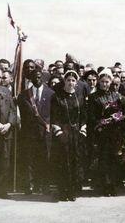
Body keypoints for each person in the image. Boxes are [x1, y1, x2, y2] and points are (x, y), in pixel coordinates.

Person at [50, 70, 87, 201]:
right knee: (63, 162)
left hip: (76, 133)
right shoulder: (57, 97)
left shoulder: (79, 97)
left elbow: (83, 116)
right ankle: (63, 191)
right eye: (68, 80)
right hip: (63, 133)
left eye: (73, 80)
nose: (70, 82)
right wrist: (59, 132)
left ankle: (72, 191)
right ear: (64, 81)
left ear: (76, 82)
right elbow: (54, 117)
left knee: (75, 162)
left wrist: (82, 129)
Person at [17, 69, 55, 194]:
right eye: (35, 77)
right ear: (31, 79)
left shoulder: (51, 94)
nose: (37, 80)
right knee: (29, 159)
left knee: (44, 159)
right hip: (29, 132)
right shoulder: (23, 95)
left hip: (45, 131)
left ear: (43, 78)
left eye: (39, 77)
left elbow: (53, 114)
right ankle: (29, 186)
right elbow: (22, 115)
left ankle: (43, 185)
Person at [88, 70, 121, 196]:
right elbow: (91, 116)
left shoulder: (116, 96)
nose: (104, 84)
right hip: (101, 132)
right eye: (102, 82)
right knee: (103, 159)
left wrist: (115, 117)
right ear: (98, 82)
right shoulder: (93, 97)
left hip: (114, 132)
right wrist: (101, 122)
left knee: (114, 159)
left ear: (111, 82)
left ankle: (113, 185)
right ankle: (105, 186)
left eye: (107, 82)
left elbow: (121, 112)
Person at [0, 66, 16, 198]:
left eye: (0, 77)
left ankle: (1, 190)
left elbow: (12, 110)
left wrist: (9, 124)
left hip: (6, 132)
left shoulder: (5, 90)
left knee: (5, 162)